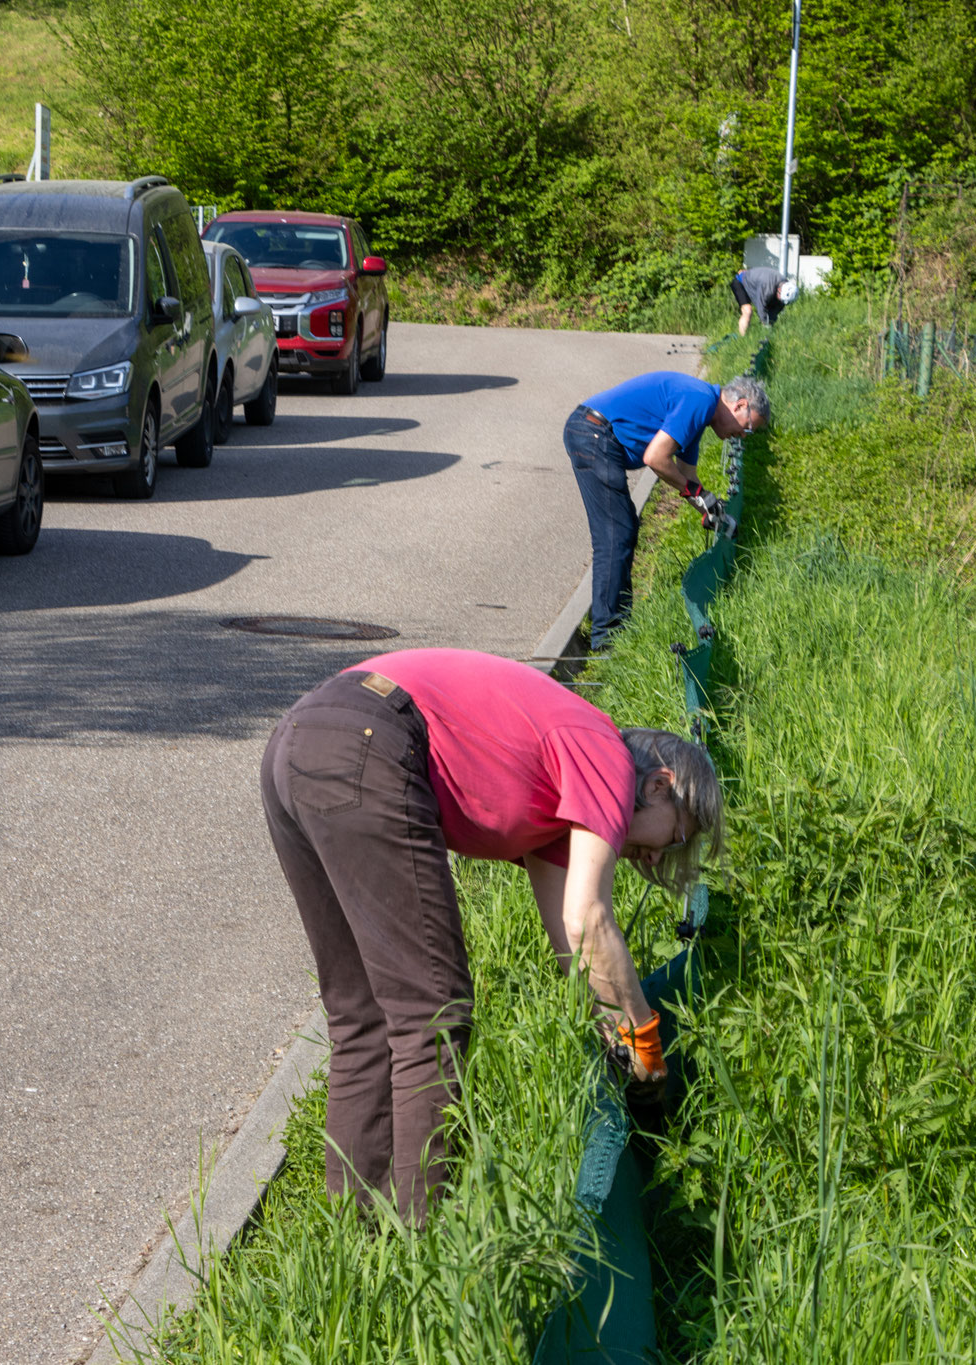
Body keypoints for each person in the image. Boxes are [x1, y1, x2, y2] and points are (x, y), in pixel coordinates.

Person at [260, 647, 725, 1222]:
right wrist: (647, 1046)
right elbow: (591, 920)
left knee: (363, 1016)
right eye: (674, 837)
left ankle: (354, 1246)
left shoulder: (561, 803)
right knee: (433, 1012)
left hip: (301, 739)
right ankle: (420, 1245)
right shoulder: (603, 752)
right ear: (660, 784)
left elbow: (574, 950)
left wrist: (615, 1033)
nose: (654, 856)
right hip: (368, 741)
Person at [563, 371, 769, 651]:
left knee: (622, 530)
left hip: (592, 432)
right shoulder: (700, 400)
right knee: (615, 533)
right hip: (593, 432)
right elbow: (656, 458)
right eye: (746, 429)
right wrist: (700, 497)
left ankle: (615, 628)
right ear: (740, 405)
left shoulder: (702, 407)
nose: (741, 437)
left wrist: (714, 512)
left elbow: (686, 476)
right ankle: (607, 639)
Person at [732, 266, 797, 334]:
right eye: (780, 298)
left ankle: (763, 336)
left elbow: (777, 308)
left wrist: (771, 321)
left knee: (769, 319)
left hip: (755, 284)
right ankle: (743, 338)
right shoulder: (767, 287)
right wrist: (766, 324)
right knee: (748, 311)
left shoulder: (785, 286)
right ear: (779, 290)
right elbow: (761, 307)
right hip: (741, 282)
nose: (780, 301)